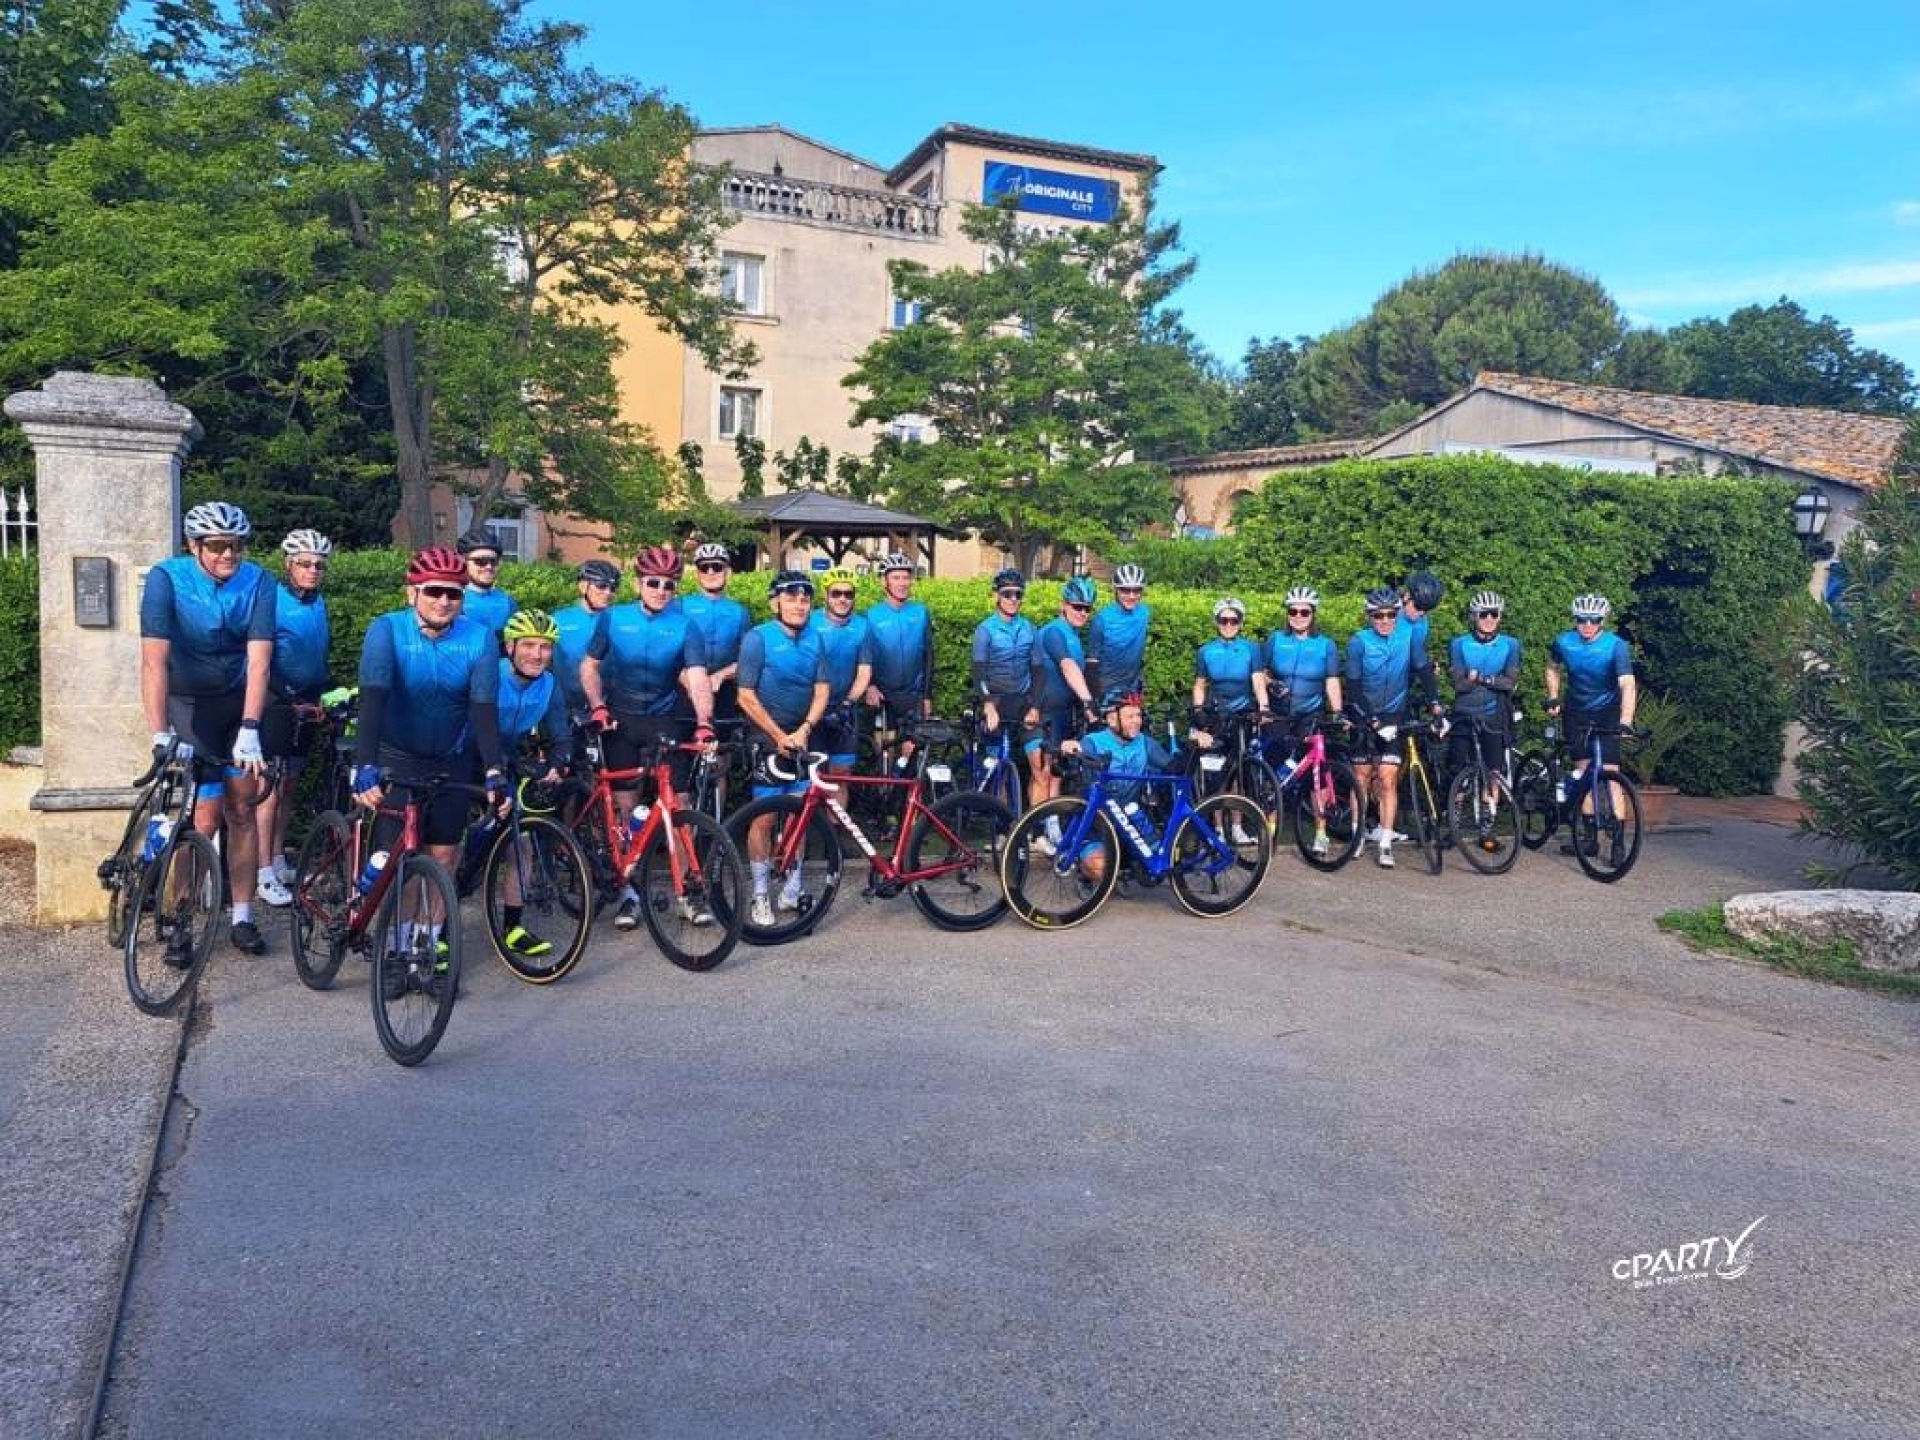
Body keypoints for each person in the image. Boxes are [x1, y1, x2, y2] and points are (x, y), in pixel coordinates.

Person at [352, 547, 508, 984]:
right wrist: (365, 764)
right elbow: (374, 699)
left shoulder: (478, 637)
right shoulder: (387, 630)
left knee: (442, 857)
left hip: (449, 760)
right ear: (412, 593)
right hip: (396, 757)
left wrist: (494, 770)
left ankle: (424, 945)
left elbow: (483, 710)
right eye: (434, 591)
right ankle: (395, 949)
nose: (444, 601)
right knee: (399, 862)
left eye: (454, 594)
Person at [140, 501, 277, 957]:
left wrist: (251, 725)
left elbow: (260, 661)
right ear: (193, 546)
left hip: (237, 702)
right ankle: (180, 918)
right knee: (201, 818)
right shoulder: (167, 579)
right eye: (217, 545)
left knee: (242, 810)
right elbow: (154, 661)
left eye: (236, 545)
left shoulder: (259, 581)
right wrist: (160, 731)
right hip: (188, 705)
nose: (229, 554)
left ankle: (241, 916)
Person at [579, 545, 716, 931]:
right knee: (626, 808)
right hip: (619, 720)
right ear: (639, 583)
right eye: (653, 583)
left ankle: (688, 892)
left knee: (681, 805)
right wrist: (597, 706)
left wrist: (704, 720)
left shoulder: (686, 625)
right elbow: (589, 667)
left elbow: (698, 676)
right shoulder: (612, 618)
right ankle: (629, 894)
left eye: (669, 585)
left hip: (663, 720)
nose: (660, 590)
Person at [738, 571, 830, 927]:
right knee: (764, 817)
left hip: (803, 735)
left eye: (805, 599)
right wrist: (779, 736)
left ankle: (791, 887)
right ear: (775, 601)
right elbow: (745, 695)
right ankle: (760, 893)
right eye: (791, 598)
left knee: (798, 817)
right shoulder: (757, 638)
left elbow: (822, 691)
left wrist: (805, 729)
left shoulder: (815, 639)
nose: (798, 605)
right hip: (766, 738)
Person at [485, 608, 574, 958]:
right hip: (472, 754)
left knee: (520, 843)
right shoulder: (490, 676)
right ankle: (440, 931)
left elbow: (562, 735)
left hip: (512, 758)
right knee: (455, 848)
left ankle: (513, 927)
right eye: (528, 646)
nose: (537, 655)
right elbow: (476, 725)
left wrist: (557, 763)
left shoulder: (549, 684)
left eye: (545, 647)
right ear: (510, 647)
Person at [253, 529, 334, 908]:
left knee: (289, 787)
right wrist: (286, 699)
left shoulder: (318, 603)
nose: (313, 570)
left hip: (309, 703)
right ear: (288, 565)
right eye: (304, 563)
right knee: (268, 789)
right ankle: (262, 873)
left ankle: (278, 858)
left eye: (319, 564)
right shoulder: (272, 600)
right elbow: (260, 660)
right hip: (276, 703)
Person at [1344, 586, 1440, 869]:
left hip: (1394, 714)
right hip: (1364, 714)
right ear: (1369, 616)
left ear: (1398, 615)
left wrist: (1436, 704)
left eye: (1390, 615)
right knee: (1361, 777)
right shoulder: (1358, 641)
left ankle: (1385, 842)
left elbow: (1423, 670)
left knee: (1387, 778)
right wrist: (1371, 721)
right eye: (1378, 616)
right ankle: (1357, 833)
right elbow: (1353, 687)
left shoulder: (1408, 636)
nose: (1385, 621)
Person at [1545, 592, 1637, 867]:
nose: (1587, 624)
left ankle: (1619, 842)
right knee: (1585, 772)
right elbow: (1552, 667)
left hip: (1608, 712)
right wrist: (1553, 695)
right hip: (1576, 711)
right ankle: (1588, 839)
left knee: (1610, 775)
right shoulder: (1563, 642)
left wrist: (1626, 721)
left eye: (1594, 620)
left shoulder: (1616, 646)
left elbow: (1628, 684)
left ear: (1602, 620)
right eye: (1582, 620)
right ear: (1575, 620)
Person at [1057, 692, 1185, 886]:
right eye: (1129, 717)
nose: (1136, 722)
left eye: (1138, 716)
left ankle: (1129, 863)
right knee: (1101, 869)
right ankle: (1090, 872)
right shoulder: (1094, 741)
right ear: (1111, 719)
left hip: (1133, 820)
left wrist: (1195, 743)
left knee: (1161, 865)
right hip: (1097, 824)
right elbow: (1077, 753)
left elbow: (1174, 768)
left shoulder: (1145, 743)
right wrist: (1070, 747)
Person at [1262, 585, 1344, 857]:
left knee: (1316, 776)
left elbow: (1332, 681)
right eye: (1293, 611)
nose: (1298, 616)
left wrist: (1338, 711)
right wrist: (1271, 684)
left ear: (1313, 614)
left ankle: (1321, 833)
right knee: (1274, 771)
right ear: (1287, 614)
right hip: (1280, 714)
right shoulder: (1275, 640)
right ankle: (1270, 827)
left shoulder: (1325, 645)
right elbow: (1260, 673)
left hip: (1310, 715)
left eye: (1304, 612)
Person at [1028, 575, 1102, 834]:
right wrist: (1089, 703)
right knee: (1043, 770)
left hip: (1063, 711)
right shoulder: (1053, 631)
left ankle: (1052, 824)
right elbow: (1067, 667)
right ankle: (1034, 830)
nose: (1082, 612)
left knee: (1057, 771)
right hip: (1043, 710)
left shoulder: (1074, 636)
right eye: (1077, 606)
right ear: (1064, 605)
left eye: (1087, 608)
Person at [970, 567, 1040, 835]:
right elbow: (979, 671)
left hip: (1023, 701)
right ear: (996, 597)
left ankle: (1037, 828)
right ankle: (1001, 828)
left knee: (1038, 760)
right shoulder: (985, 630)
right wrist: (988, 704)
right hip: (996, 702)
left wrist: (1034, 705)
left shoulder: (1029, 629)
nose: (1013, 599)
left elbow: (1038, 671)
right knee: (998, 766)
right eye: (1007, 594)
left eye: (1018, 594)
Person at [1446, 591, 1521, 840]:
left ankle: (1487, 825)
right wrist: (1491, 680)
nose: (1489, 618)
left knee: (1493, 772)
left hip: (1494, 715)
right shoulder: (1459, 644)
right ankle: (1454, 821)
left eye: (1494, 614)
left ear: (1500, 617)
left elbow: (1510, 683)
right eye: (1483, 614)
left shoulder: (1511, 644)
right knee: (1458, 771)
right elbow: (1459, 685)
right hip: (1463, 713)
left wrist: (1479, 677)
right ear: (1474, 616)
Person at [862, 551, 934, 763]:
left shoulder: (921, 612)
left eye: (906, 577)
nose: (902, 583)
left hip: (913, 695)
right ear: (884, 581)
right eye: (896, 577)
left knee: (912, 756)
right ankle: (885, 795)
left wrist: (927, 695)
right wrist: (870, 685)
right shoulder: (871, 615)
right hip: (884, 696)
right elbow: (865, 656)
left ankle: (906, 797)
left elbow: (929, 655)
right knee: (884, 755)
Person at [809, 567, 874, 770]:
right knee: (812, 775)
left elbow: (864, 672)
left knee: (841, 775)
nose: (842, 599)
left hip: (845, 709)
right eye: (836, 593)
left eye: (848, 594)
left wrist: (848, 702)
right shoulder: (809, 622)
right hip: (811, 710)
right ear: (825, 595)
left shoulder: (863, 626)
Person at [681, 541, 750, 724]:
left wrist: (721, 675)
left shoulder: (740, 611)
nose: (710, 572)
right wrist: (690, 680)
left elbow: (747, 657)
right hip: (685, 688)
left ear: (727, 571)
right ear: (697, 574)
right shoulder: (680, 606)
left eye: (717, 566)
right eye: (704, 567)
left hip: (725, 689)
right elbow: (667, 652)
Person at [554, 559, 621, 717]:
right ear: (583, 586)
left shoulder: (618, 619)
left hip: (608, 708)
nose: (608, 593)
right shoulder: (558, 619)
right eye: (601, 586)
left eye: (613, 588)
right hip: (566, 710)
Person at [1193, 596, 1271, 721]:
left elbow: (1258, 683)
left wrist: (1264, 708)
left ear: (1241, 623)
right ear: (1216, 622)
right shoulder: (1205, 651)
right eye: (1223, 620)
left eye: (1234, 621)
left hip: (1245, 713)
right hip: (1215, 713)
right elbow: (1200, 685)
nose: (1228, 625)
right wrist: (1198, 710)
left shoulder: (1251, 648)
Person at [1086, 563, 1151, 708]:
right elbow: (1092, 662)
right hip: (1106, 688)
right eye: (1125, 591)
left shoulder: (1144, 613)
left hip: (1132, 688)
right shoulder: (1102, 619)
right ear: (1116, 590)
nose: (1131, 596)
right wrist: (1092, 701)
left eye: (1136, 591)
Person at [457, 526, 515, 643]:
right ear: (464, 562)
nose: (488, 567)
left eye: (493, 562)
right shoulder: (451, 599)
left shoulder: (508, 602)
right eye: (480, 561)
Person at [1399, 569, 1444, 654]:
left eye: (1426, 609)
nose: (1421, 613)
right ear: (1406, 597)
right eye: (1418, 607)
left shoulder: (1422, 623)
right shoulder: (1386, 614)